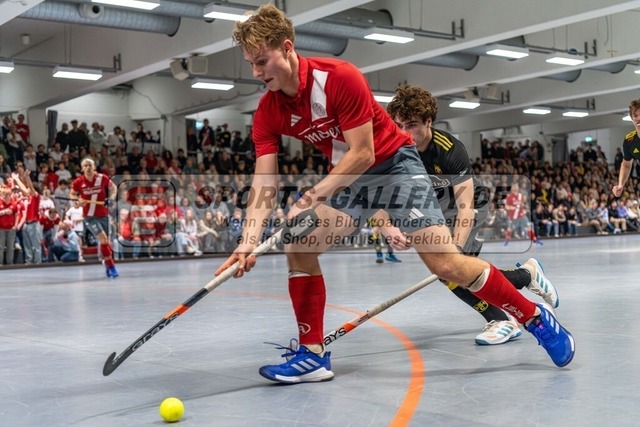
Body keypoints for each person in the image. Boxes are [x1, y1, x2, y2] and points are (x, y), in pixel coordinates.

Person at [217, 4, 574, 385]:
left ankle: (535, 318)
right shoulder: (268, 110)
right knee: (299, 245)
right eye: (250, 64)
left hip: (393, 166)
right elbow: (264, 179)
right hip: (352, 180)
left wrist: (311, 197)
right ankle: (313, 355)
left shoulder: (339, 77)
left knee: (447, 266)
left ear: (287, 48)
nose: (256, 73)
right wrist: (248, 241)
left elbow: (363, 153)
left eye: (262, 61)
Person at [386, 84, 556, 345]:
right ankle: (526, 276)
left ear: (429, 121)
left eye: (412, 125)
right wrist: (392, 228)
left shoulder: (449, 149)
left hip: (469, 205)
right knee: (450, 273)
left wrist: (455, 247)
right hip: (436, 208)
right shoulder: (395, 149)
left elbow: (465, 205)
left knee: (456, 269)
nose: (404, 133)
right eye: (398, 125)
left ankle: (502, 319)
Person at [70, 157, 119, 277]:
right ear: (82, 168)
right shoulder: (78, 182)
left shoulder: (102, 178)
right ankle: (112, 266)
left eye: (90, 165)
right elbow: (72, 194)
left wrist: (111, 198)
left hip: (103, 215)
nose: (88, 168)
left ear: (94, 167)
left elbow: (113, 188)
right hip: (90, 217)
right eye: (85, 166)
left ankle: (106, 262)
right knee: (102, 239)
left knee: (106, 242)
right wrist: (76, 201)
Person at [613, 98, 640, 199]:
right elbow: (626, 165)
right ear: (632, 118)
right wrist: (621, 184)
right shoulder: (629, 140)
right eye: (635, 115)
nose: (639, 118)